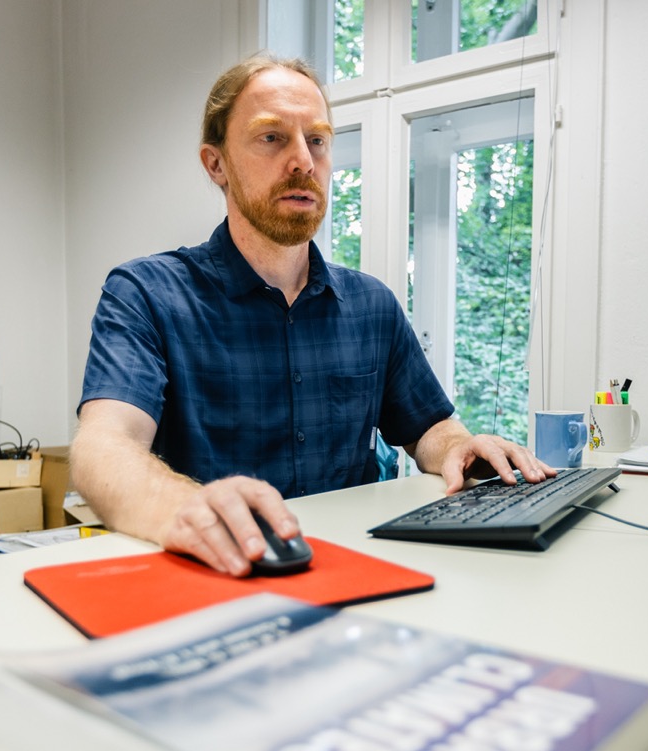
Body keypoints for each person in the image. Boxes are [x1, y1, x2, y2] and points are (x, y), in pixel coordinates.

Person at [71, 54, 554, 577]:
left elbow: (428, 428)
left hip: (360, 571)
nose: (303, 159)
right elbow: (104, 445)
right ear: (216, 164)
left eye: (318, 140)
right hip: (221, 575)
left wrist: (461, 446)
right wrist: (182, 506)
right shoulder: (146, 293)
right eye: (272, 137)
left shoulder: (372, 304)